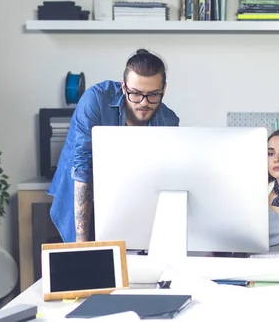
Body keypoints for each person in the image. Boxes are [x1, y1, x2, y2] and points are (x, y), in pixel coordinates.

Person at [47, 49, 180, 243]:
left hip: (128, 197)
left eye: (153, 95)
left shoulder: (168, 121)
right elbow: (83, 168)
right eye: (135, 93)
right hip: (83, 189)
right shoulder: (96, 100)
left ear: (164, 89)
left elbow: (163, 177)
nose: (143, 103)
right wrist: (81, 245)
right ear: (124, 86)